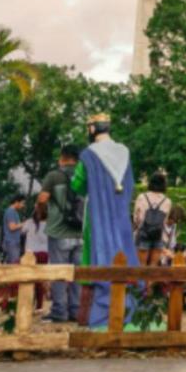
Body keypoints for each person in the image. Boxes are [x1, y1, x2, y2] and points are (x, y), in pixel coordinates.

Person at [71, 113, 140, 328]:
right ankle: (130, 309)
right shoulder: (125, 152)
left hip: (98, 216)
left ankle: (98, 314)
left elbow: (77, 184)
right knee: (124, 253)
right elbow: (131, 184)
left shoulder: (88, 155)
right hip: (120, 216)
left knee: (96, 256)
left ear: (92, 129)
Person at [36, 144, 83, 323]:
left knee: (59, 272)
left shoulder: (54, 175)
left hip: (59, 230)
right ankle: (76, 311)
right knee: (77, 273)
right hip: (81, 233)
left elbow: (42, 198)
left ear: (62, 158)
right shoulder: (85, 177)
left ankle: (59, 311)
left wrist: (41, 212)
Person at [133, 173, 172, 266]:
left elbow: (136, 218)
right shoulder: (167, 201)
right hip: (158, 234)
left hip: (144, 233)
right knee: (153, 265)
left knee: (141, 265)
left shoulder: (142, 197)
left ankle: (142, 281)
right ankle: (150, 281)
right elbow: (165, 221)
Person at [21, 211, 49, 310]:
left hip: (30, 254)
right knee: (40, 280)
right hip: (44, 253)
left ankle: (27, 303)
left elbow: (22, 232)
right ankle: (39, 305)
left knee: (28, 279)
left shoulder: (29, 222)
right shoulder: (50, 223)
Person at [1, 193, 26, 264]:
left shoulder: (15, 212)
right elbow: (12, 227)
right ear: (16, 202)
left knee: (10, 265)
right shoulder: (10, 212)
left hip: (14, 242)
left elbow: (17, 228)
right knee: (14, 264)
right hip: (11, 242)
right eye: (22, 203)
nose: (23, 205)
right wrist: (24, 223)